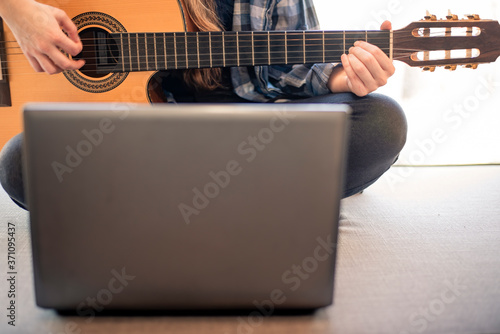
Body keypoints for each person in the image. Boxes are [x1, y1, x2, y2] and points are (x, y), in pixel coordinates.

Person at [0, 0, 407, 210]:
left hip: (241, 131)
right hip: (134, 137)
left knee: (380, 122)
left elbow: (291, 66)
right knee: (19, 163)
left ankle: (158, 205)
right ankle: (241, 202)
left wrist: (345, 77)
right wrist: (15, 10)